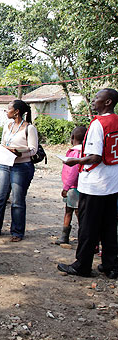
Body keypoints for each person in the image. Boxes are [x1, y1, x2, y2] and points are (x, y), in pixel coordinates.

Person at [58, 89, 118, 279]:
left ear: (108, 102)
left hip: (94, 184)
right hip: (112, 183)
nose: (93, 102)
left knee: (88, 227)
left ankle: (82, 265)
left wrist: (74, 161)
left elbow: (95, 156)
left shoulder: (98, 124)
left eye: (97, 99)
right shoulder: (116, 120)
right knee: (109, 226)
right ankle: (111, 266)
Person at [0, 99, 38, 242]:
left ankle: (17, 232)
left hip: (21, 167)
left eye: (9, 109)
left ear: (17, 111)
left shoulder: (29, 128)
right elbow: (3, 143)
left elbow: (33, 149)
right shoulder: (7, 126)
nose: (7, 111)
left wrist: (18, 152)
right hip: (6, 165)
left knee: (17, 201)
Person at [56, 126, 87, 245]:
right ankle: (77, 237)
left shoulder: (75, 153)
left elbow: (73, 173)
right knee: (78, 212)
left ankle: (69, 237)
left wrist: (66, 187)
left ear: (72, 138)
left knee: (72, 212)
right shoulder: (85, 152)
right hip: (80, 187)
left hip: (73, 188)